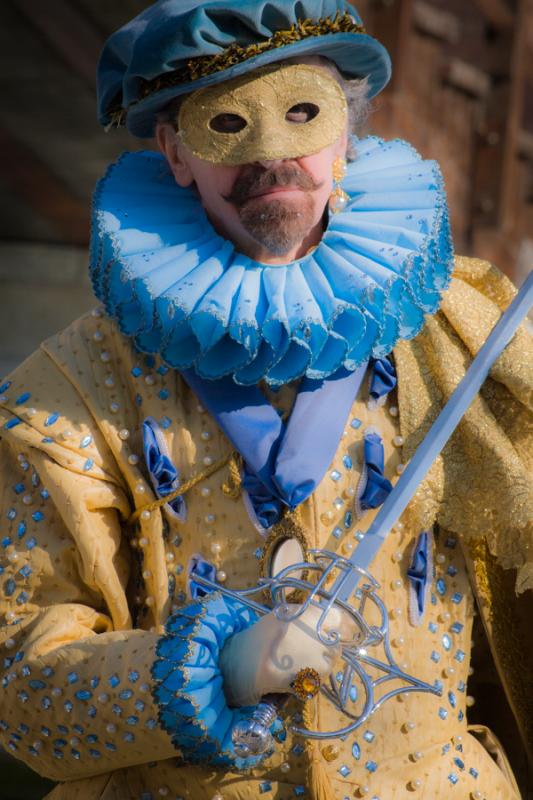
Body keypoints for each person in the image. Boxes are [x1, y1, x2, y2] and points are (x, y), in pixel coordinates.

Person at [0, 2, 531, 799]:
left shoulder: (460, 332)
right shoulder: (68, 390)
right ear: (174, 153)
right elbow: (22, 688)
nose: (268, 155)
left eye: (301, 112)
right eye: (226, 124)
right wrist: (213, 668)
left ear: (345, 136)